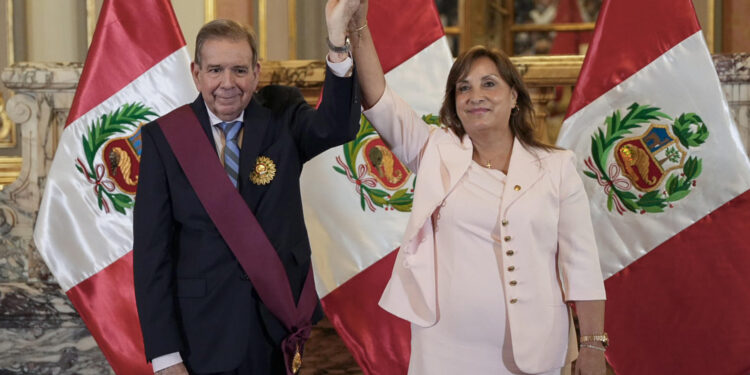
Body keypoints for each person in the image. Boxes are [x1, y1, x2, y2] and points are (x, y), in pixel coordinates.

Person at [347, 2, 607, 374]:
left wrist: (593, 346)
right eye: (463, 88)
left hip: (536, 352)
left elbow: (581, 264)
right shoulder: (436, 149)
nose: (475, 95)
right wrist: (359, 27)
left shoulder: (556, 167)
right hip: (446, 350)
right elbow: (379, 100)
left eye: (489, 84)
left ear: (514, 96)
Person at [132, 1, 361, 374]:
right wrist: (165, 356)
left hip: (275, 327)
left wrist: (337, 41)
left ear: (256, 74)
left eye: (239, 70)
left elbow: (336, 127)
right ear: (196, 73)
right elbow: (152, 257)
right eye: (216, 70)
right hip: (201, 335)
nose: (228, 83)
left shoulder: (282, 113)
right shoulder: (165, 139)